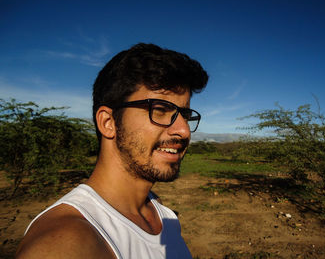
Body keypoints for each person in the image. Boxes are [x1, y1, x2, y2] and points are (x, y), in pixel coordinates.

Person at [15, 43, 208, 259]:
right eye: (161, 110)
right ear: (108, 122)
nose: (184, 130)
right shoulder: (66, 242)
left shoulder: (160, 212)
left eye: (186, 115)